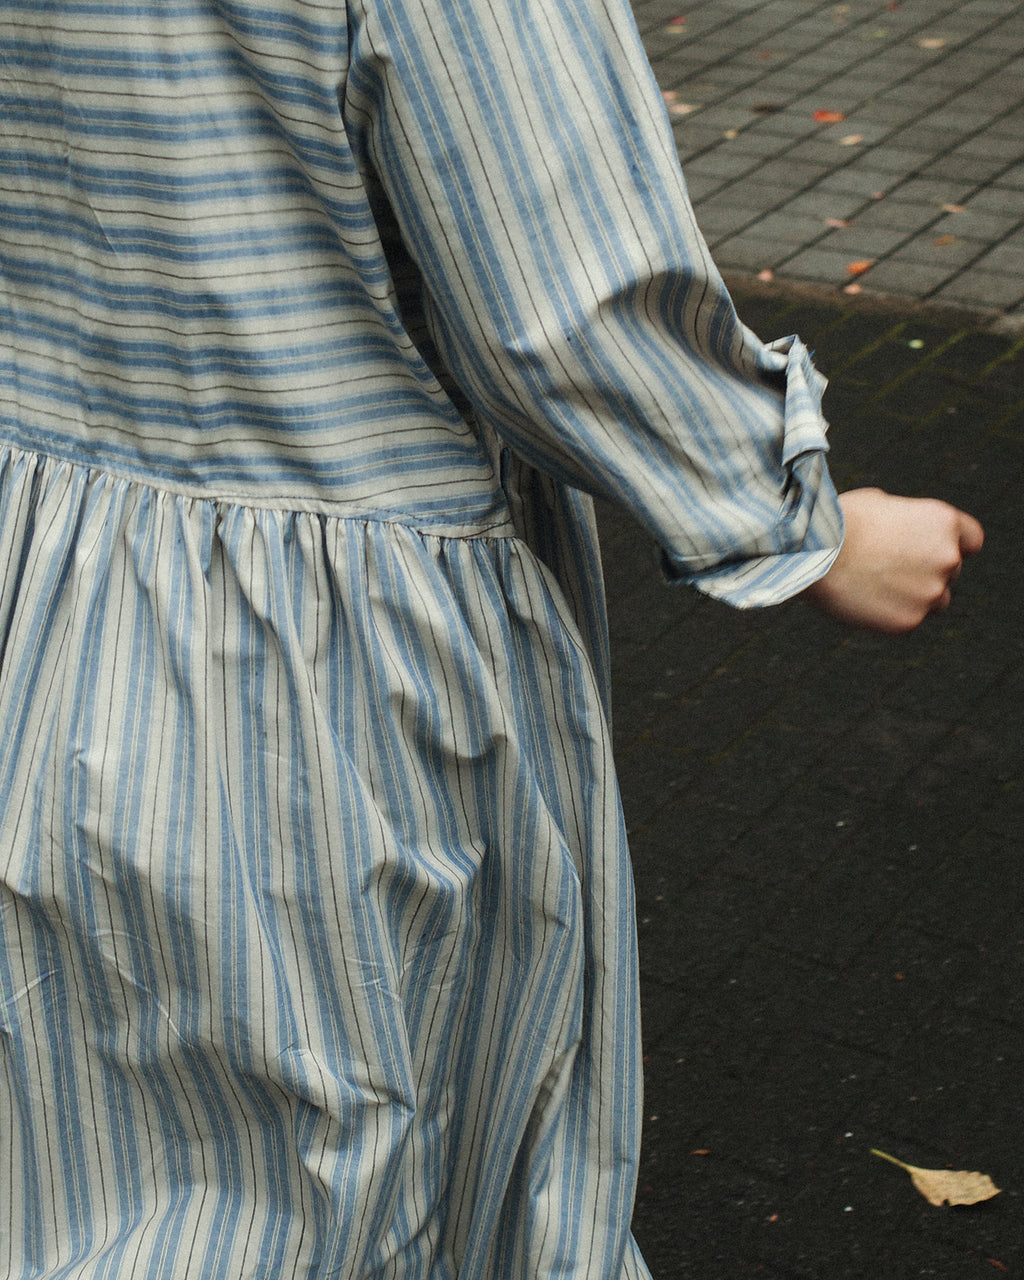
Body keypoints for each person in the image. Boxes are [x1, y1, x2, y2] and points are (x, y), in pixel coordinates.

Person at [0, 0, 981, 1276]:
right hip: (315, 665)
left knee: (74, 1155)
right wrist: (793, 521)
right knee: (350, 1164)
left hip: (39, 572)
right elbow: (562, 287)